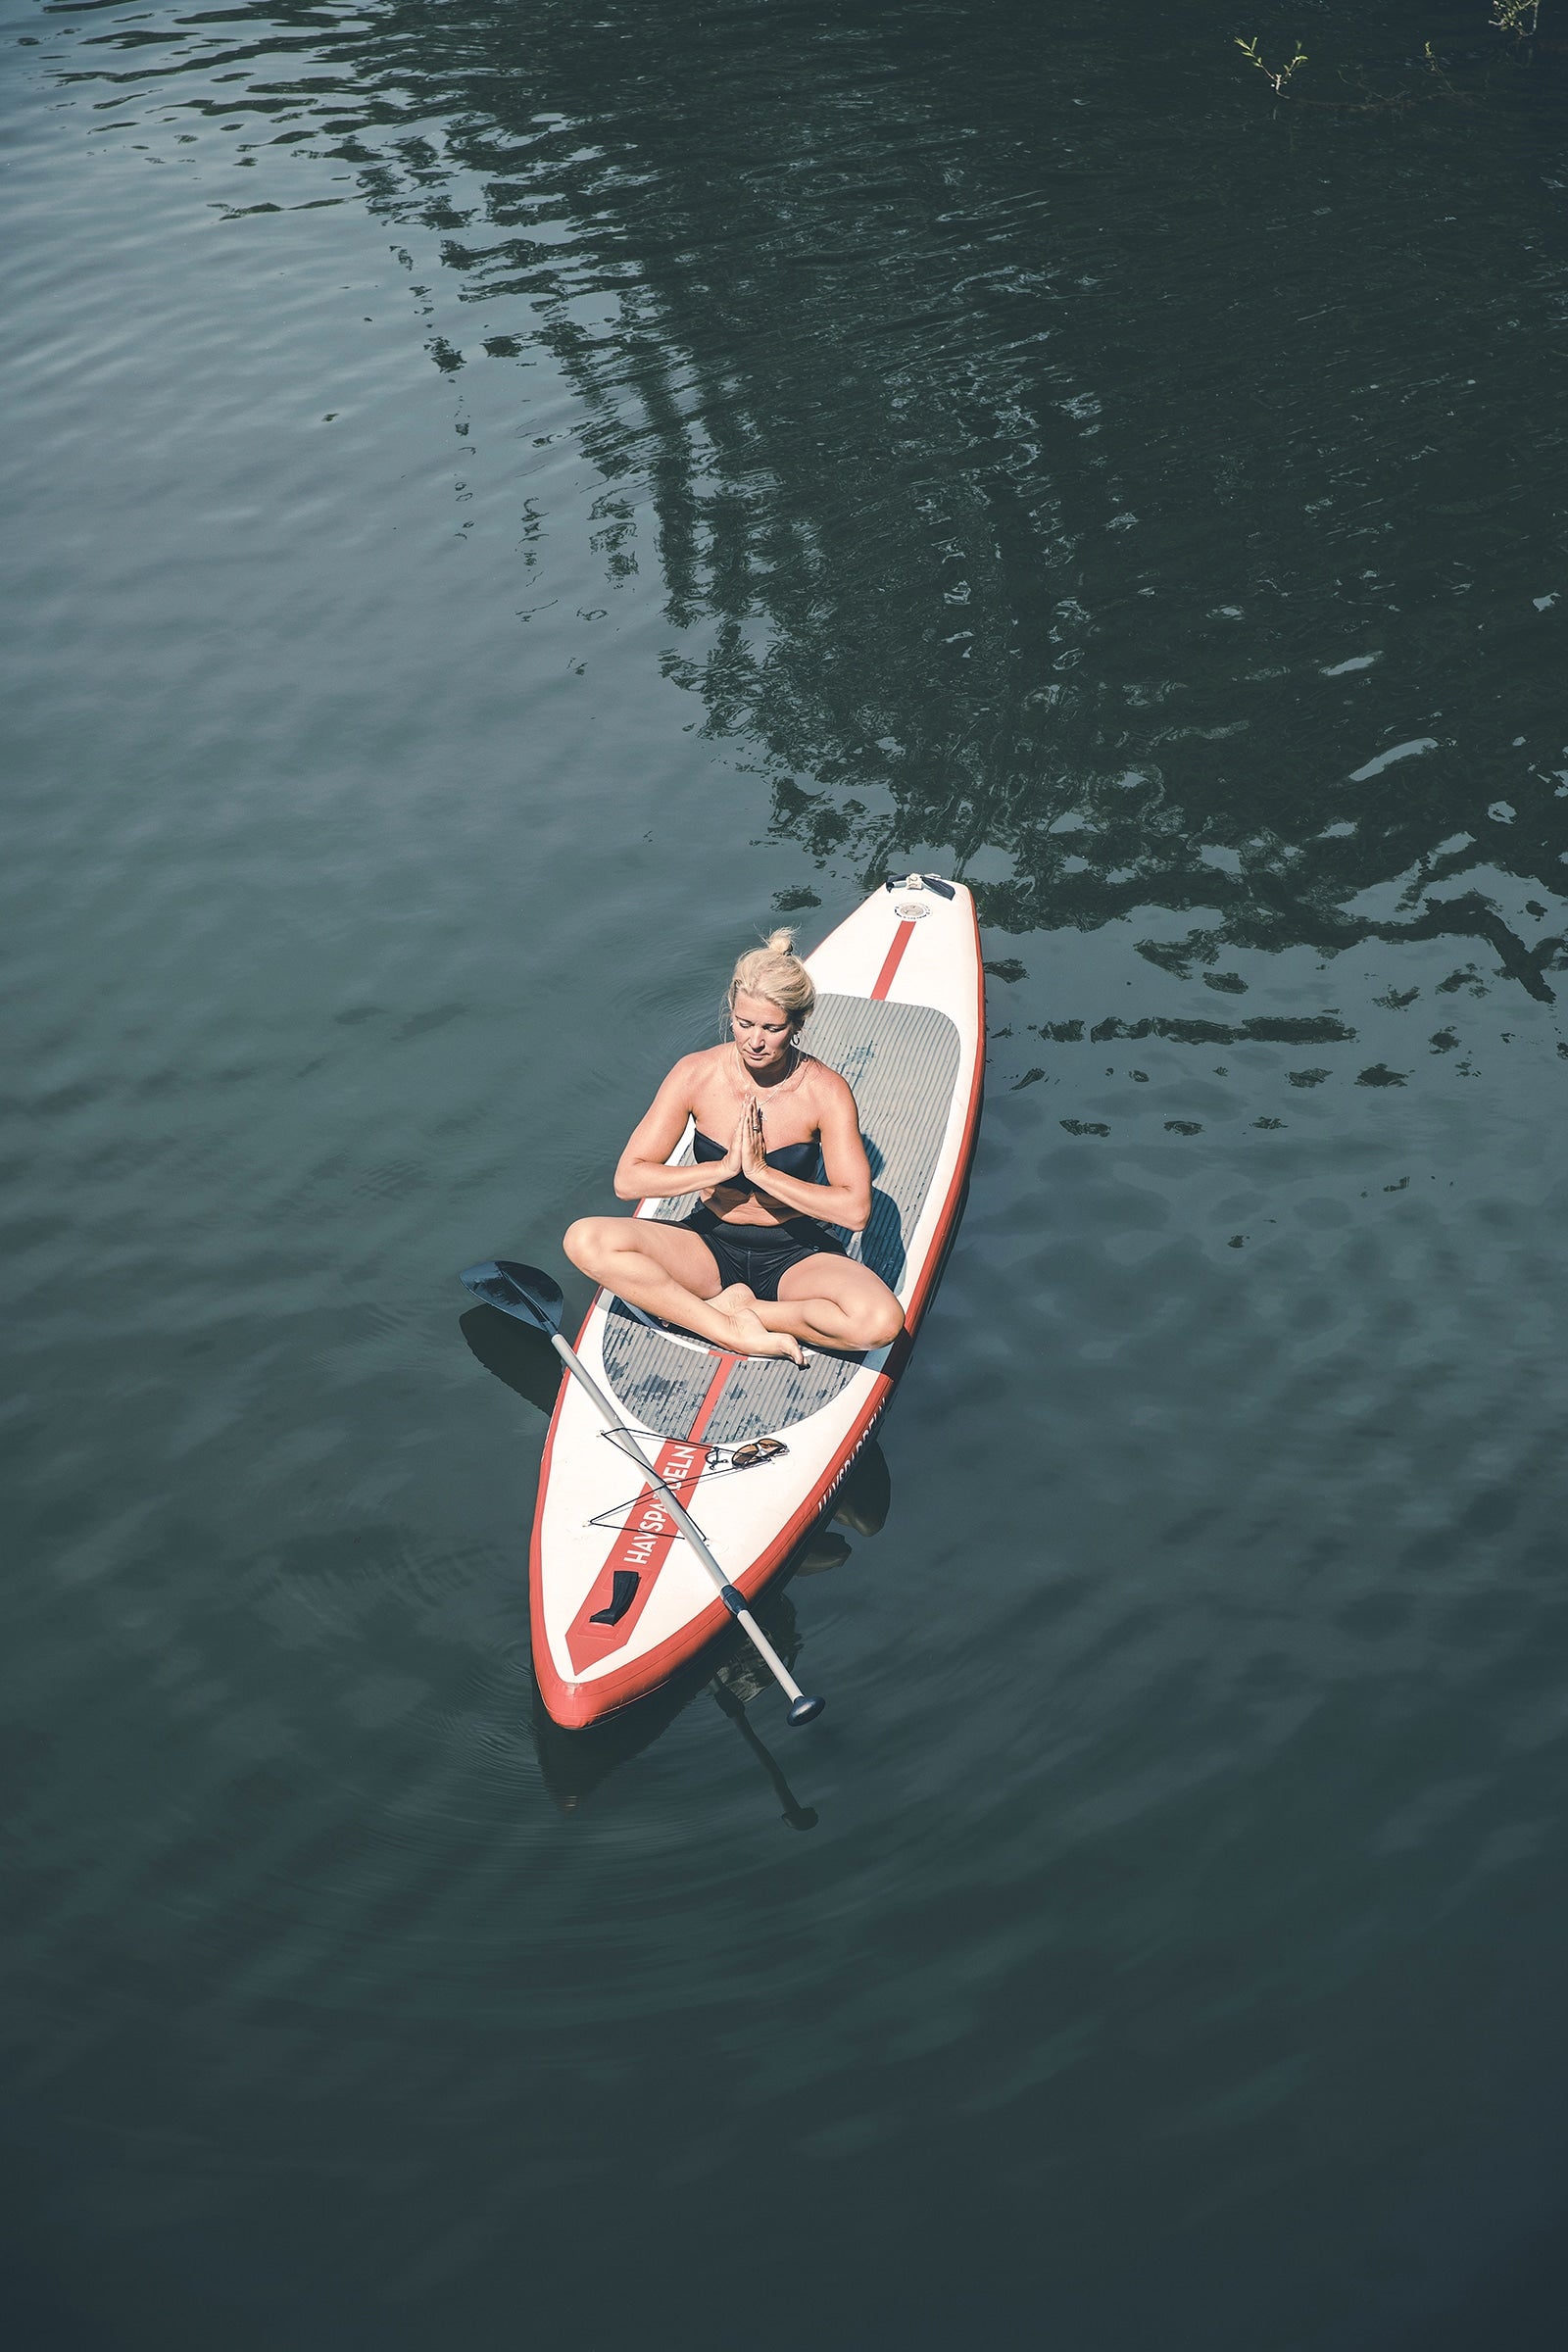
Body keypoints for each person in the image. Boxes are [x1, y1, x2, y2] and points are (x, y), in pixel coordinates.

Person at [564, 931, 906, 1365]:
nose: (755, 1041)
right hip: (709, 1241)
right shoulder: (696, 1074)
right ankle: (725, 1327)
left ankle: (748, 1310)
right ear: (731, 1012)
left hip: (794, 1251)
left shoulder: (825, 1091)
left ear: (797, 1025)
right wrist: (723, 1169)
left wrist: (763, 1173)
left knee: (879, 1322)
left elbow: (854, 1212)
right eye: (744, 1024)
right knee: (585, 1239)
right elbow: (628, 1180)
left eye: (772, 1028)